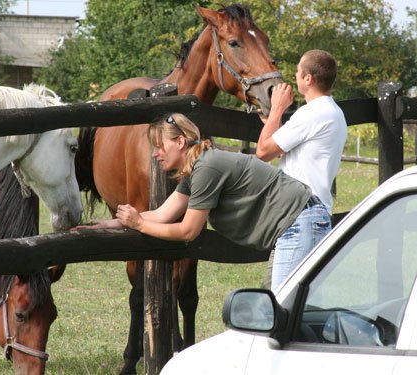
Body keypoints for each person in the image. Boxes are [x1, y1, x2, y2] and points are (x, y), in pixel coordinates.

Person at [77, 113, 324, 282]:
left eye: (160, 146)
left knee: (281, 312)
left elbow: (187, 231)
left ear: (180, 142)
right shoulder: (198, 168)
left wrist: (139, 224)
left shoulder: (207, 168)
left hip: (300, 222)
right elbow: (163, 214)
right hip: (299, 224)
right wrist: (110, 224)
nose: (155, 154)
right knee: (281, 311)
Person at [255, 50, 348, 290]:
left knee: (283, 304)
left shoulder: (311, 113)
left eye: (298, 71)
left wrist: (276, 109)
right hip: (307, 217)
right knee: (273, 300)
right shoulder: (333, 112)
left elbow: (263, 152)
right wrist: (275, 125)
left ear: (308, 79)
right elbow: (289, 148)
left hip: (302, 217)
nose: (294, 75)